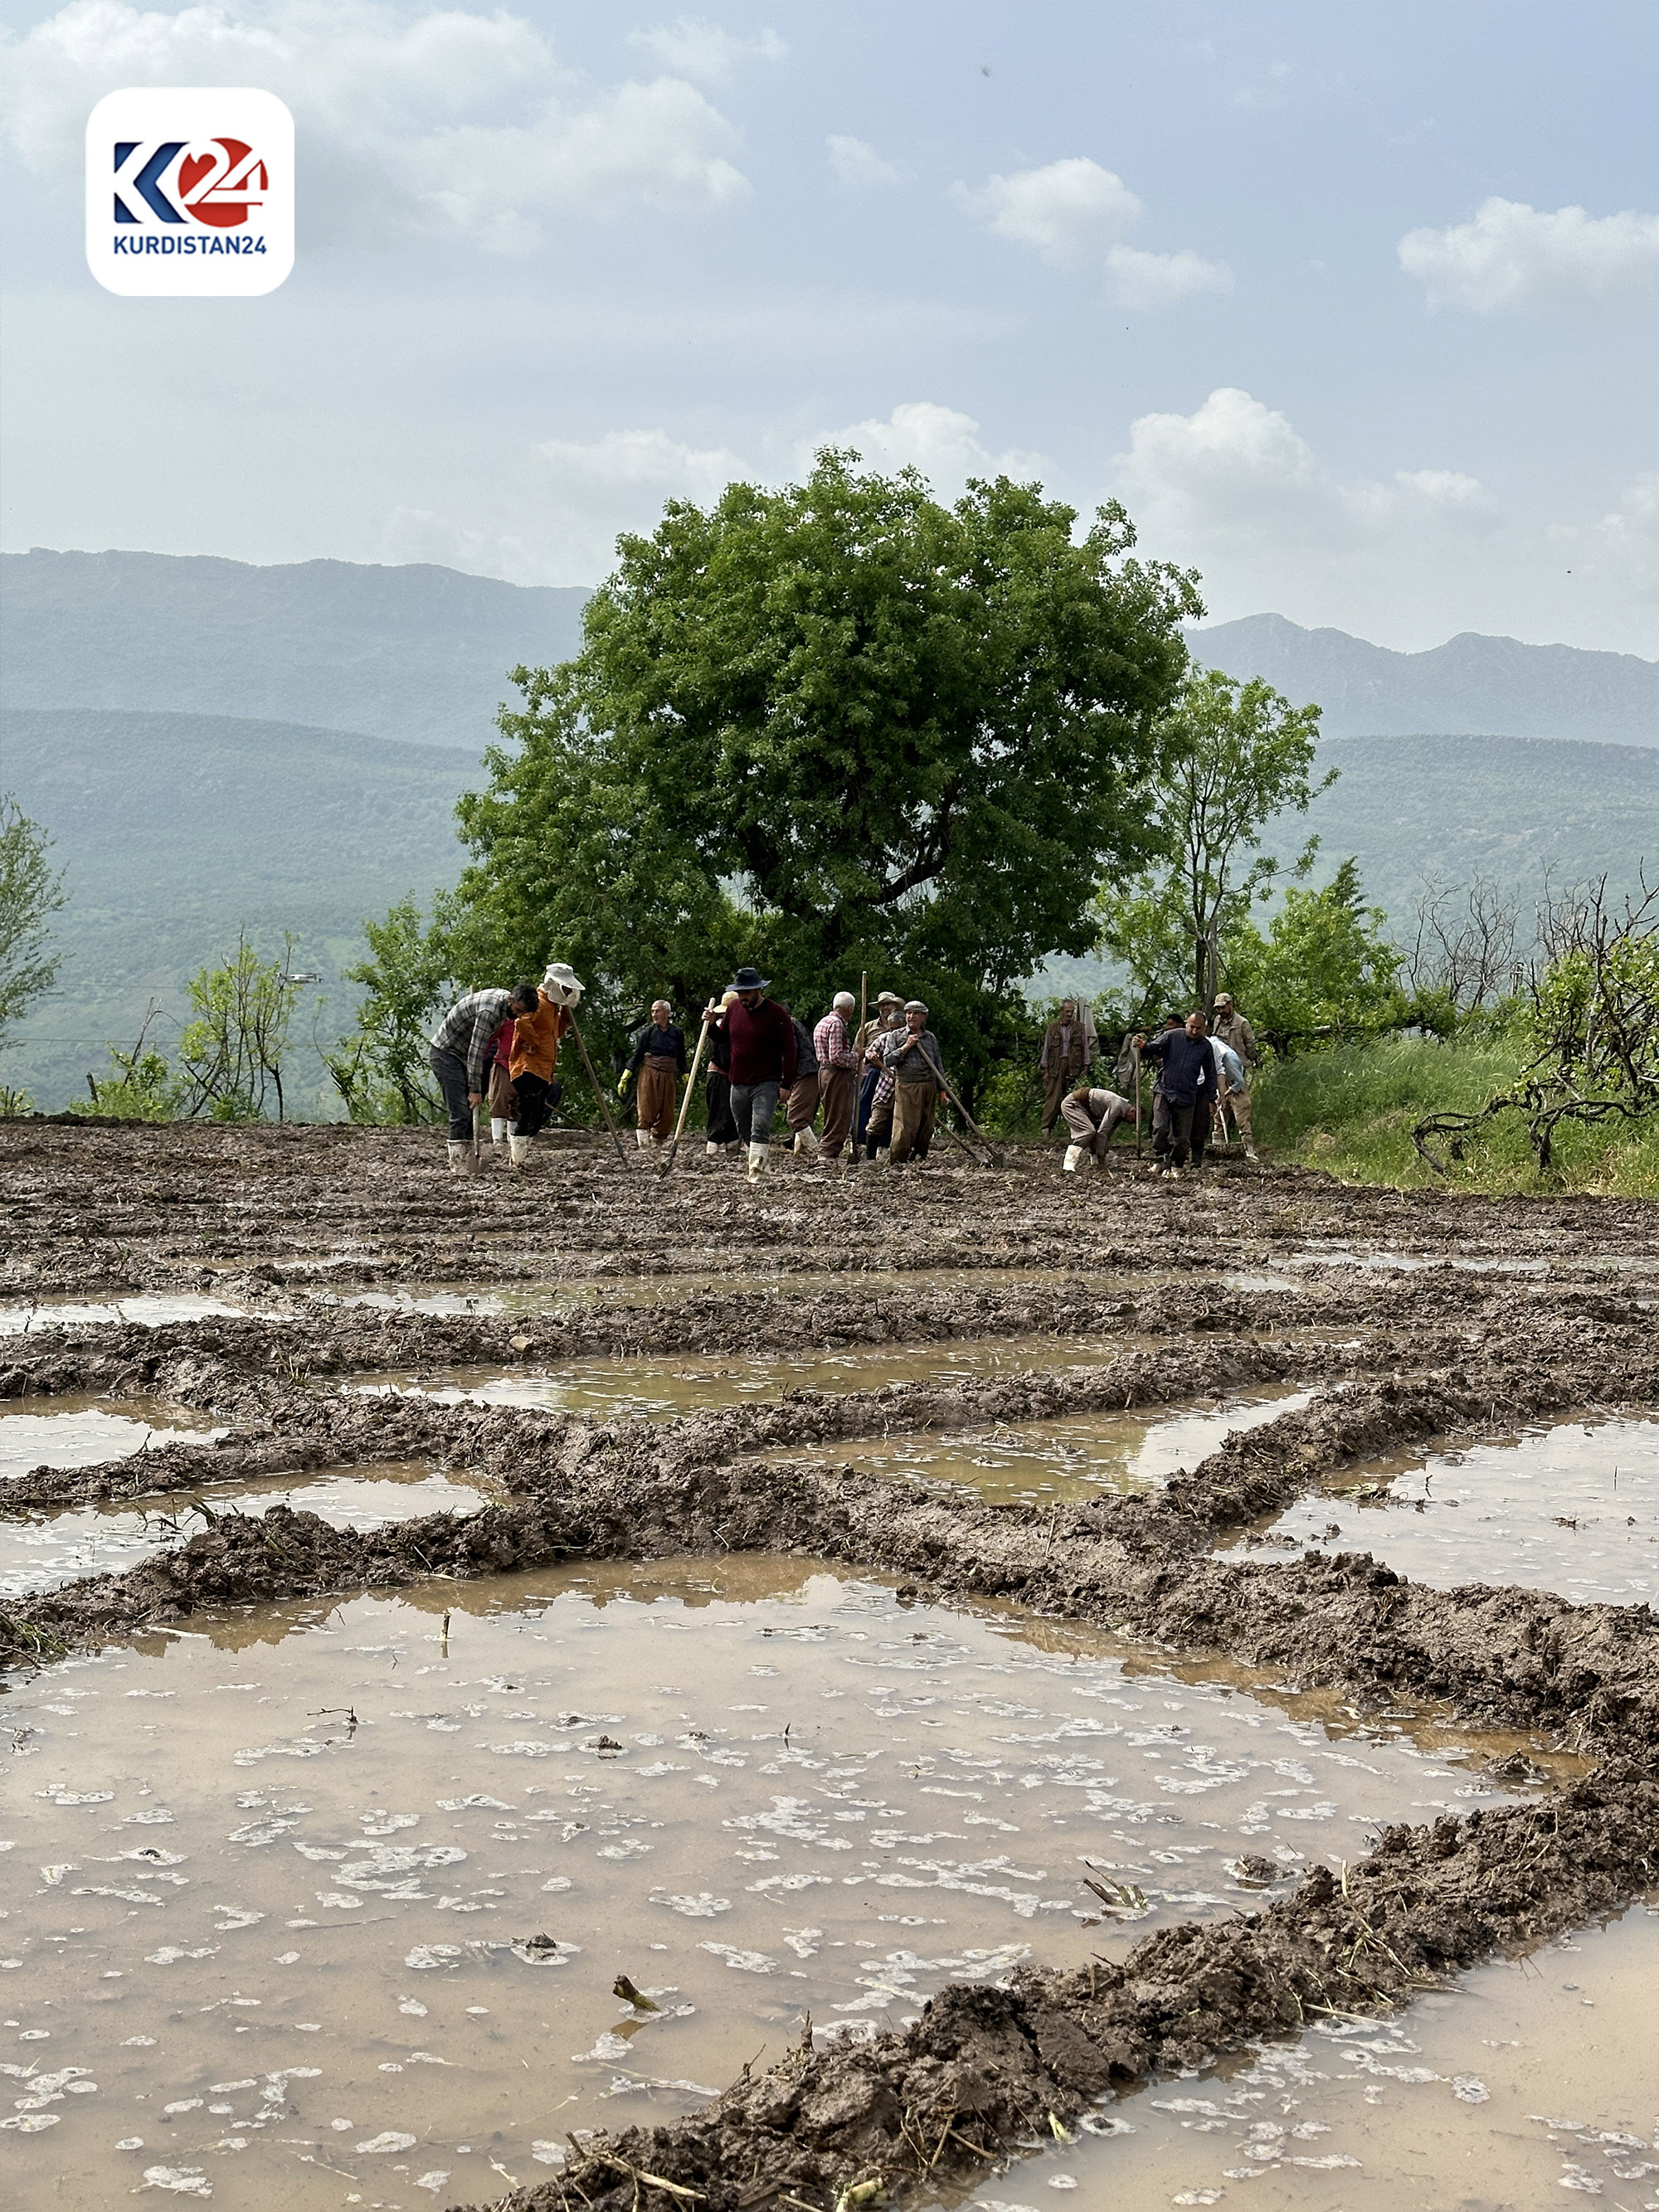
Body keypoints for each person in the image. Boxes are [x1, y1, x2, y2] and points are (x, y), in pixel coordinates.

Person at [429, 984, 539, 1176]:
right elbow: (476, 1052)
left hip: (461, 1056)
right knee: (460, 1112)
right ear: (511, 1000)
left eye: (523, 1014)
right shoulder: (489, 1012)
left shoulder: (504, 1005)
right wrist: (475, 1089)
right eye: (518, 1011)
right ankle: (458, 1168)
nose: (518, 1016)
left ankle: (468, 1160)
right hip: (446, 1054)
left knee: (467, 1111)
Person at [720, 965, 797, 1184]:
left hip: (767, 1080)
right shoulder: (734, 1009)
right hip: (738, 1081)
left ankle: (758, 1173)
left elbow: (790, 1051)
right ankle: (754, 1162)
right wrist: (709, 1025)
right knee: (744, 1128)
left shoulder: (776, 1014)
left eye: (747, 992)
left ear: (758, 990)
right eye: (740, 992)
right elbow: (721, 1036)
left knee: (760, 1125)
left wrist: (786, 1084)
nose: (743, 996)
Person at [504, 964, 578, 1167]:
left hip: (542, 1069)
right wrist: (533, 1042)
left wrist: (566, 1011)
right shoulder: (539, 1004)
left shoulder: (552, 1008)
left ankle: (520, 1154)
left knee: (536, 1114)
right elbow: (521, 1023)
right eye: (566, 988)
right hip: (528, 1067)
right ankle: (517, 1159)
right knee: (529, 1112)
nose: (568, 992)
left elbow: (557, 1032)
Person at [1132, 1010, 1214, 1179]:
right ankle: (1160, 1159)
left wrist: (1211, 1098)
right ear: (1186, 1024)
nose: (1194, 1031)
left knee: (1182, 1138)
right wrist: (1141, 1045)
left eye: (1198, 1028)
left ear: (1204, 1028)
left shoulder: (1206, 1047)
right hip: (1164, 1090)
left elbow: (1210, 1073)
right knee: (1160, 1127)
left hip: (1187, 1095)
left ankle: (1177, 1164)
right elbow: (1151, 1049)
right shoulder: (1171, 1036)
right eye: (1192, 1027)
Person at [884, 1000, 948, 1166]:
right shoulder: (896, 1036)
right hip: (907, 1086)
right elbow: (887, 1060)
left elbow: (937, 1064)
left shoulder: (930, 1038)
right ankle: (897, 1160)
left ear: (923, 1017)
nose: (911, 1016)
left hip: (928, 1085)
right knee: (905, 1126)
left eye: (915, 1013)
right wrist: (906, 1047)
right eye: (908, 1013)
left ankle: (919, 1159)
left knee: (925, 1126)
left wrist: (943, 1090)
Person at [620, 1000, 687, 1150]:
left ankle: (657, 1144)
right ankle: (643, 1145)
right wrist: (627, 1073)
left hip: (668, 1074)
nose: (654, 1015)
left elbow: (681, 1056)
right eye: (652, 1011)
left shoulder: (676, 1033)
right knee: (646, 1107)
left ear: (667, 1013)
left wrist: (685, 1073)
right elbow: (637, 1055)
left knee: (667, 1112)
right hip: (650, 1073)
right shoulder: (648, 1033)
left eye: (657, 1011)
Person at [1191, 1023, 1248, 1174]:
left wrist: (1225, 1094)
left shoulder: (1227, 1060)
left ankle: (1249, 1151)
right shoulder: (1208, 1049)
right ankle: (1219, 1146)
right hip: (1219, 1081)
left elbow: (1239, 1082)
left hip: (1234, 1083)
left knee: (1241, 1115)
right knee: (1218, 1114)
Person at [1210, 991, 1259, 1158]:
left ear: (1230, 1005)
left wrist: (1249, 1061)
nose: (1220, 1011)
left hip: (1237, 1067)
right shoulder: (1217, 1021)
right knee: (1220, 1108)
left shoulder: (1242, 1023)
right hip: (1221, 1069)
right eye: (1218, 1008)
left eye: (1223, 1007)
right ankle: (1219, 1145)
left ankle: (1248, 1148)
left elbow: (1250, 1044)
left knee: (1241, 1110)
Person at [812, 991, 859, 1164]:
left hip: (824, 1072)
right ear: (849, 1008)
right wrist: (857, 1056)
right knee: (839, 1114)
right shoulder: (837, 1025)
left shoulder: (823, 1022)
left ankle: (828, 1150)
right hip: (835, 1074)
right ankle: (828, 1152)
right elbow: (837, 1056)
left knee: (832, 1112)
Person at [855, 992, 904, 1152]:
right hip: (873, 1073)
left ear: (895, 1006)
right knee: (865, 1107)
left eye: (887, 1004)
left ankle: (885, 1146)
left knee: (892, 1112)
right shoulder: (868, 1027)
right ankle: (860, 1143)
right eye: (881, 1005)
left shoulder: (904, 1028)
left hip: (895, 1075)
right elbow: (858, 1050)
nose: (884, 1008)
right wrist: (869, 1055)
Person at [1039, 999, 1094, 1137]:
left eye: (1072, 1012)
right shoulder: (1052, 1028)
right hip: (1055, 1068)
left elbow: (1085, 1048)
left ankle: (1080, 1130)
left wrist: (1086, 1066)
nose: (1070, 1014)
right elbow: (1046, 1049)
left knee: (1076, 1100)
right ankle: (1046, 1129)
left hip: (1073, 1067)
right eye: (1067, 1012)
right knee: (1053, 1098)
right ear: (1061, 1012)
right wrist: (1045, 1070)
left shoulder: (1079, 1027)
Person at [1060, 1083, 1134, 1171]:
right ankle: (1069, 1163)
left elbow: (1107, 1133)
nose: (1130, 1123)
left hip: (1087, 1109)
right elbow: (1102, 1132)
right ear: (1133, 1111)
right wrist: (1101, 1155)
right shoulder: (1117, 1106)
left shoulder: (1121, 1111)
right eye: (1133, 1120)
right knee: (1088, 1131)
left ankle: (1095, 1163)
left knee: (1096, 1132)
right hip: (1073, 1105)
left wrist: (1103, 1149)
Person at [703, 989, 741, 1154]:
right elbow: (725, 1058)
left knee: (732, 1112)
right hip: (720, 1074)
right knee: (719, 1111)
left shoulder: (733, 1027)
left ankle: (731, 1142)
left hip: (729, 1075)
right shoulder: (720, 1028)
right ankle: (713, 1144)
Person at [783, 1006, 820, 1158]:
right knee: (802, 1114)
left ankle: (815, 1149)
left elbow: (790, 1053)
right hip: (807, 1071)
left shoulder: (787, 1026)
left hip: (805, 1072)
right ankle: (799, 1150)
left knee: (796, 1115)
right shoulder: (794, 1023)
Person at [485, 1015, 517, 1148]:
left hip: (522, 1064)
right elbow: (490, 1038)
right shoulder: (506, 1021)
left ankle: (513, 1139)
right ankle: (497, 1140)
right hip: (503, 1063)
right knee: (499, 1099)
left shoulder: (531, 1020)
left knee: (517, 1103)